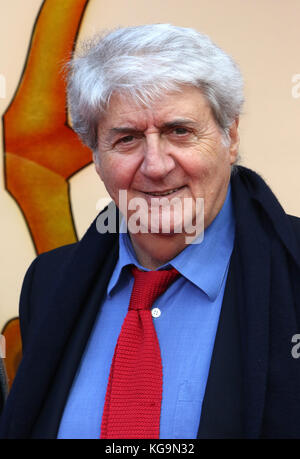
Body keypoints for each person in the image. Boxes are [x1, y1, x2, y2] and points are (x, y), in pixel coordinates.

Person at [1, 24, 300, 439]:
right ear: (96, 156)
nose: (156, 166)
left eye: (179, 131)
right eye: (127, 139)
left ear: (229, 137)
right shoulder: (49, 284)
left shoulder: (294, 268)